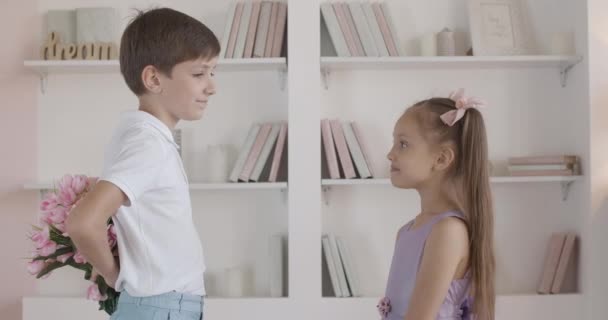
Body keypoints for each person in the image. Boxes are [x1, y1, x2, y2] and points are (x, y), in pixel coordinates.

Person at [66, 7, 220, 320]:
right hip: (162, 308)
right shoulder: (148, 145)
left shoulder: (142, 135)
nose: (211, 86)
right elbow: (83, 222)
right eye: (199, 74)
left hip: (162, 307)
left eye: (212, 73)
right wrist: (113, 275)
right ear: (152, 78)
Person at [379, 89, 495, 320]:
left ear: (441, 159)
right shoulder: (407, 231)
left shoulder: (448, 231)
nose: (390, 154)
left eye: (403, 144)